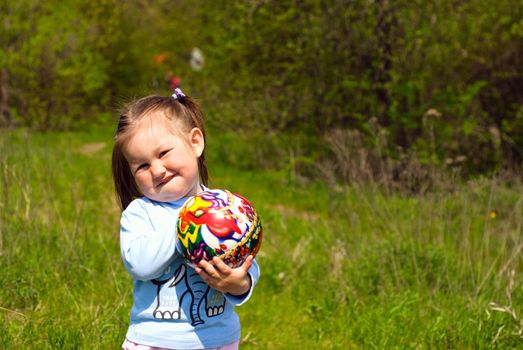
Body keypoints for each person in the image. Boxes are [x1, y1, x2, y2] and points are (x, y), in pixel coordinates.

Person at [112, 88, 260, 350]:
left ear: (195, 143)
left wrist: (240, 283)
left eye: (163, 153)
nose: (157, 169)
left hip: (218, 339)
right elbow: (140, 265)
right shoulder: (140, 213)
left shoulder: (223, 207)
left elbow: (246, 258)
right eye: (142, 166)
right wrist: (185, 222)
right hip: (155, 341)